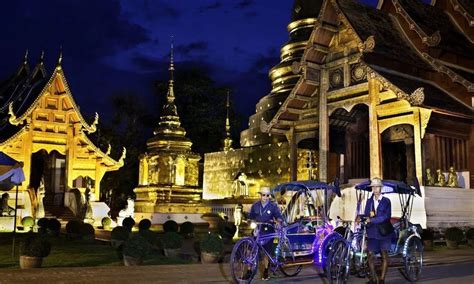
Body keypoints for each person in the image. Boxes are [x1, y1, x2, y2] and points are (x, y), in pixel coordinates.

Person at [247, 186, 283, 281]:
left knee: (266, 252)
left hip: (268, 231)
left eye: (267, 195)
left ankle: (266, 270)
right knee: (250, 250)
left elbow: (279, 216)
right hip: (257, 230)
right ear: (260, 195)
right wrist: (248, 220)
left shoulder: (273, 206)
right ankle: (248, 271)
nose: (265, 197)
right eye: (263, 195)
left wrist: (278, 221)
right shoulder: (255, 206)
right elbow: (250, 216)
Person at [363, 177, 392, 284]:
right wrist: (360, 217)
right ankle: (374, 278)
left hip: (384, 231)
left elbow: (386, 216)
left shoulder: (386, 201)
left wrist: (372, 220)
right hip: (372, 232)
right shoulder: (369, 201)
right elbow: (366, 214)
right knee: (370, 255)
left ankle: (382, 279)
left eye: (377, 187)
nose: (375, 189)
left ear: (380, 188)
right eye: (373, 187)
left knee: (384, 255)